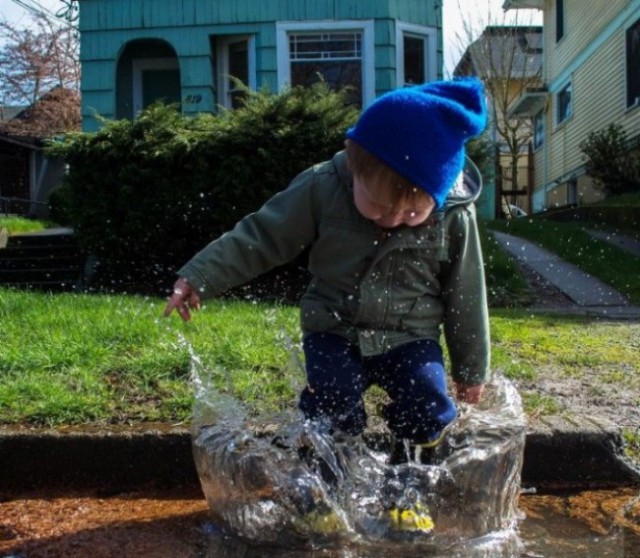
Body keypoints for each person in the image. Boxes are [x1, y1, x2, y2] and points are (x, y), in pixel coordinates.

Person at [164, 76, 490, 463]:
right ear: (354, 166)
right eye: (380, 206)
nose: (393, 220)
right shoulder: (323, 187)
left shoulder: (453, 216)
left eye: (413, 213)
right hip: (334, 328)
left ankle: (411, 482)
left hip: (411, 334)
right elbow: (264, 235)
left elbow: (467, 293)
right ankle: (325, 483)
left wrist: (470, 369)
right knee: (333, 406)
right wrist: (201, 276)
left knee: (428, 404)